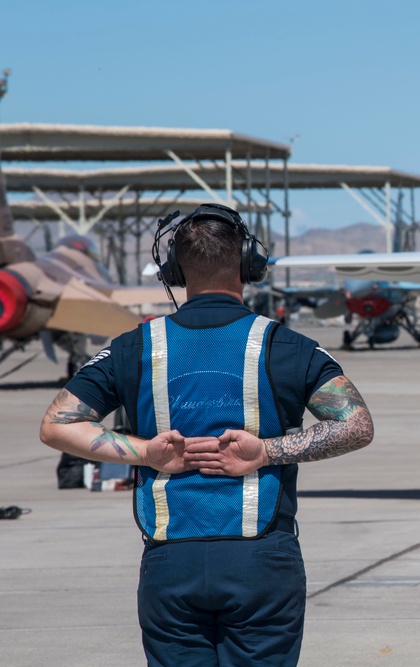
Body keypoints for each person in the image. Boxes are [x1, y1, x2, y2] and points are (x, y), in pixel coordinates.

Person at [38, 203, 374, 666]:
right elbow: (356, 425)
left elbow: (56, 425)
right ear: (250, 265)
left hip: (171, 563)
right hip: (261, 562)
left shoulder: (132, 347)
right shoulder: (289, 346)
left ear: (173, 271)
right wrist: (267, 452)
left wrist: (146, 452)